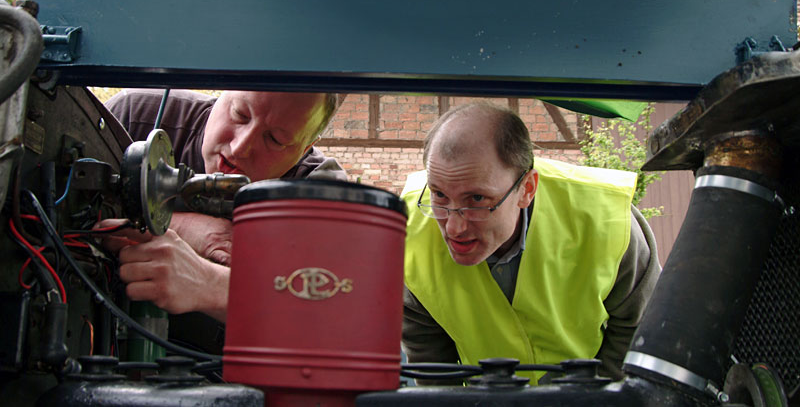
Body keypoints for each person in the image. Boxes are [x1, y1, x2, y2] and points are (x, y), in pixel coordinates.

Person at [400, 101, 661, 383]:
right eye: (439, 195)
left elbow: (641, 329)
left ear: (527, 189)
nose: (453, 227)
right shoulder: (407, 234)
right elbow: (432, 365)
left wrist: (592, 396)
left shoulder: (606, 219)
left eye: (476, 199)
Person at [99, 89, 347, 353]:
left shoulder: (324, 194)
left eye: (275, 140)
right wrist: (189, 229)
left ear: (305, 149)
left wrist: (211, 285)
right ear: (221, 95)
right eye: (240, 114)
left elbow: (336, 321)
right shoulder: (135, 116)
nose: (241, 147)